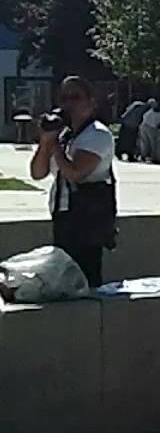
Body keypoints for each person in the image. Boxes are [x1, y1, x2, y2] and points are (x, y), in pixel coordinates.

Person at [28, 76, 117, 287]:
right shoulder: (65, 136)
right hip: (64, 215)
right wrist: (46, 141)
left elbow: (75, 173)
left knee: (85, 278)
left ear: (91, 102)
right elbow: (38, 173)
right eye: (64, 98)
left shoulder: (97, 135)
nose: (69, 104)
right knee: (63, 278)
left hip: (87, 219)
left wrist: (56, 148)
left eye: (76, 97)